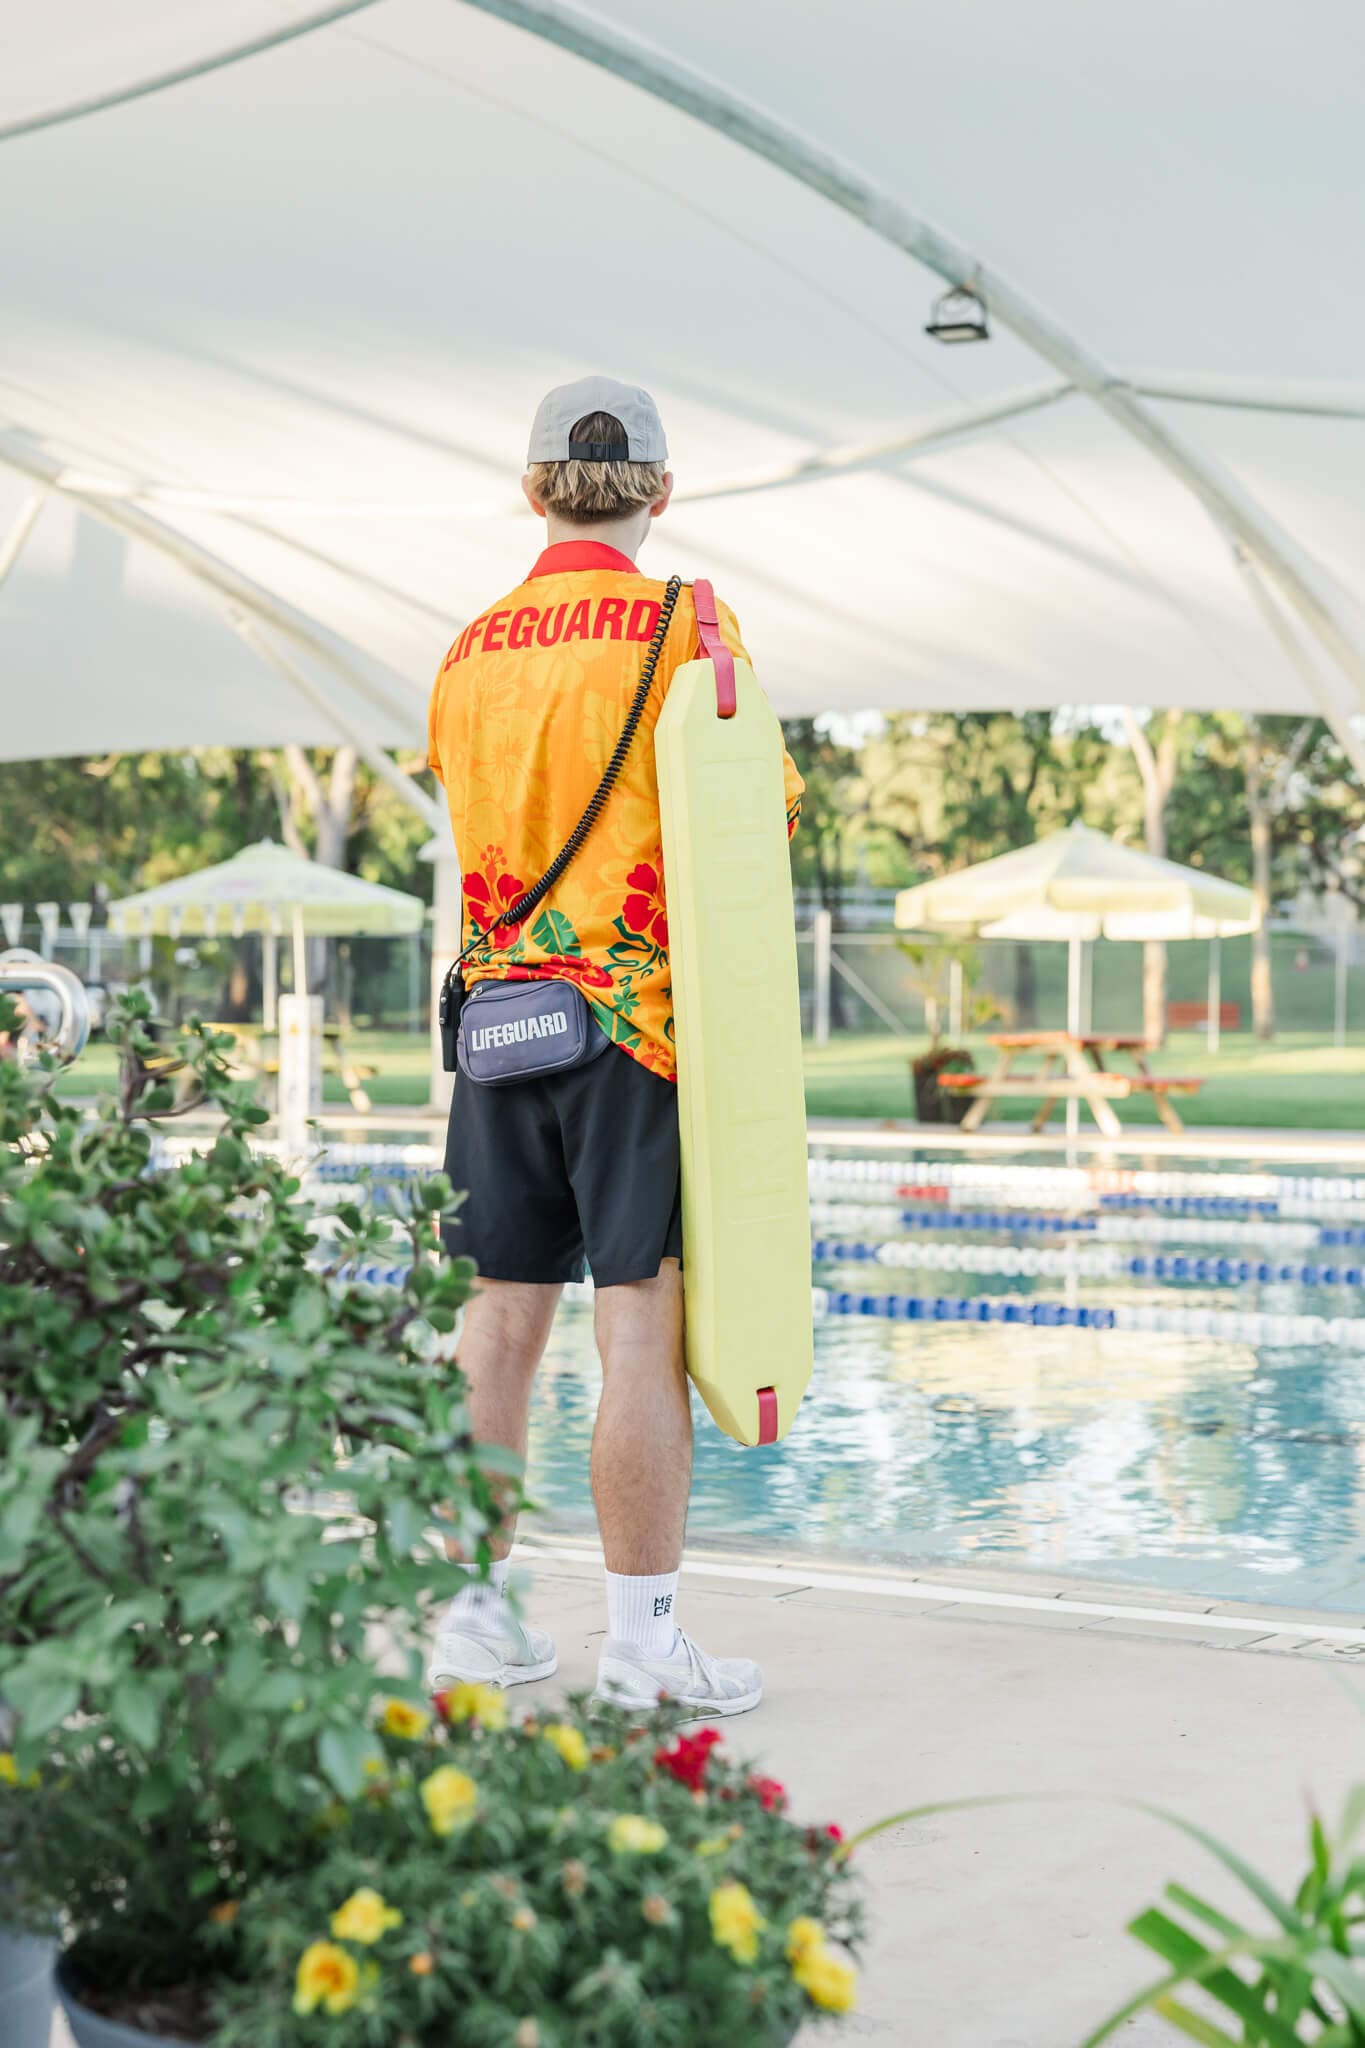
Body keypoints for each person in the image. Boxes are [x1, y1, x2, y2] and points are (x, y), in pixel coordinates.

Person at [425, 375, 803, 1714]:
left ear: (533, 491)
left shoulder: (467, 652)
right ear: (658, 489)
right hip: (632, 1029)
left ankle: (474, 1619)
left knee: (496, 1327)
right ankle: (643, 1645)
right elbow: (757, 822)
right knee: (638, 1333)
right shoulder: (684, 628)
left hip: (498, 1026)